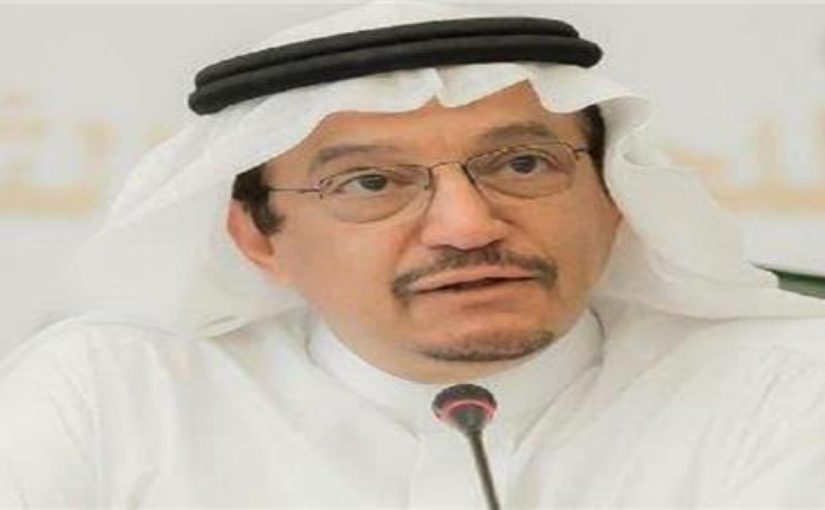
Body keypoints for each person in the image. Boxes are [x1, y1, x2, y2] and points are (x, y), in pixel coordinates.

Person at [3, 1, 825, 507]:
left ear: (614, 198)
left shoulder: (786, 386)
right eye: (368, 183)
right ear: (257, 237)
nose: (466, 226)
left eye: (523, 165)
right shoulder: (112, 395)